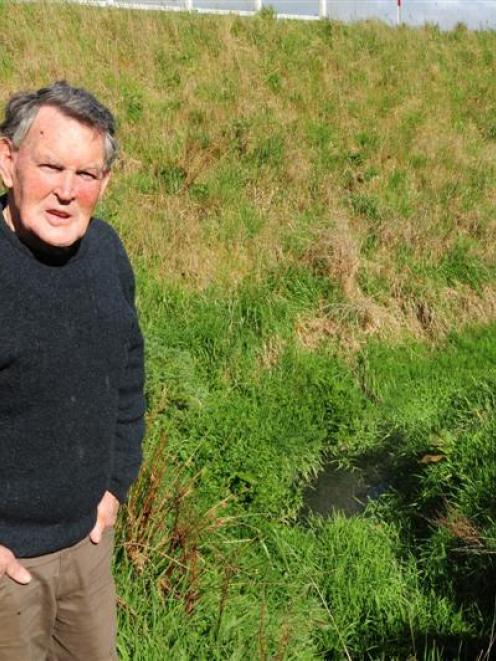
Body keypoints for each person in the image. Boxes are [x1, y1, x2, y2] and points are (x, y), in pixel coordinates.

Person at [0, 81, 145, 660]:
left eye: (85, 175)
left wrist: (115, 483)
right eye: (50, 166)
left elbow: (129, 368)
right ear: (8, 161)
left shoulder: (107, 252)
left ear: (104, 183)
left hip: (88, 543)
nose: (65, 192)